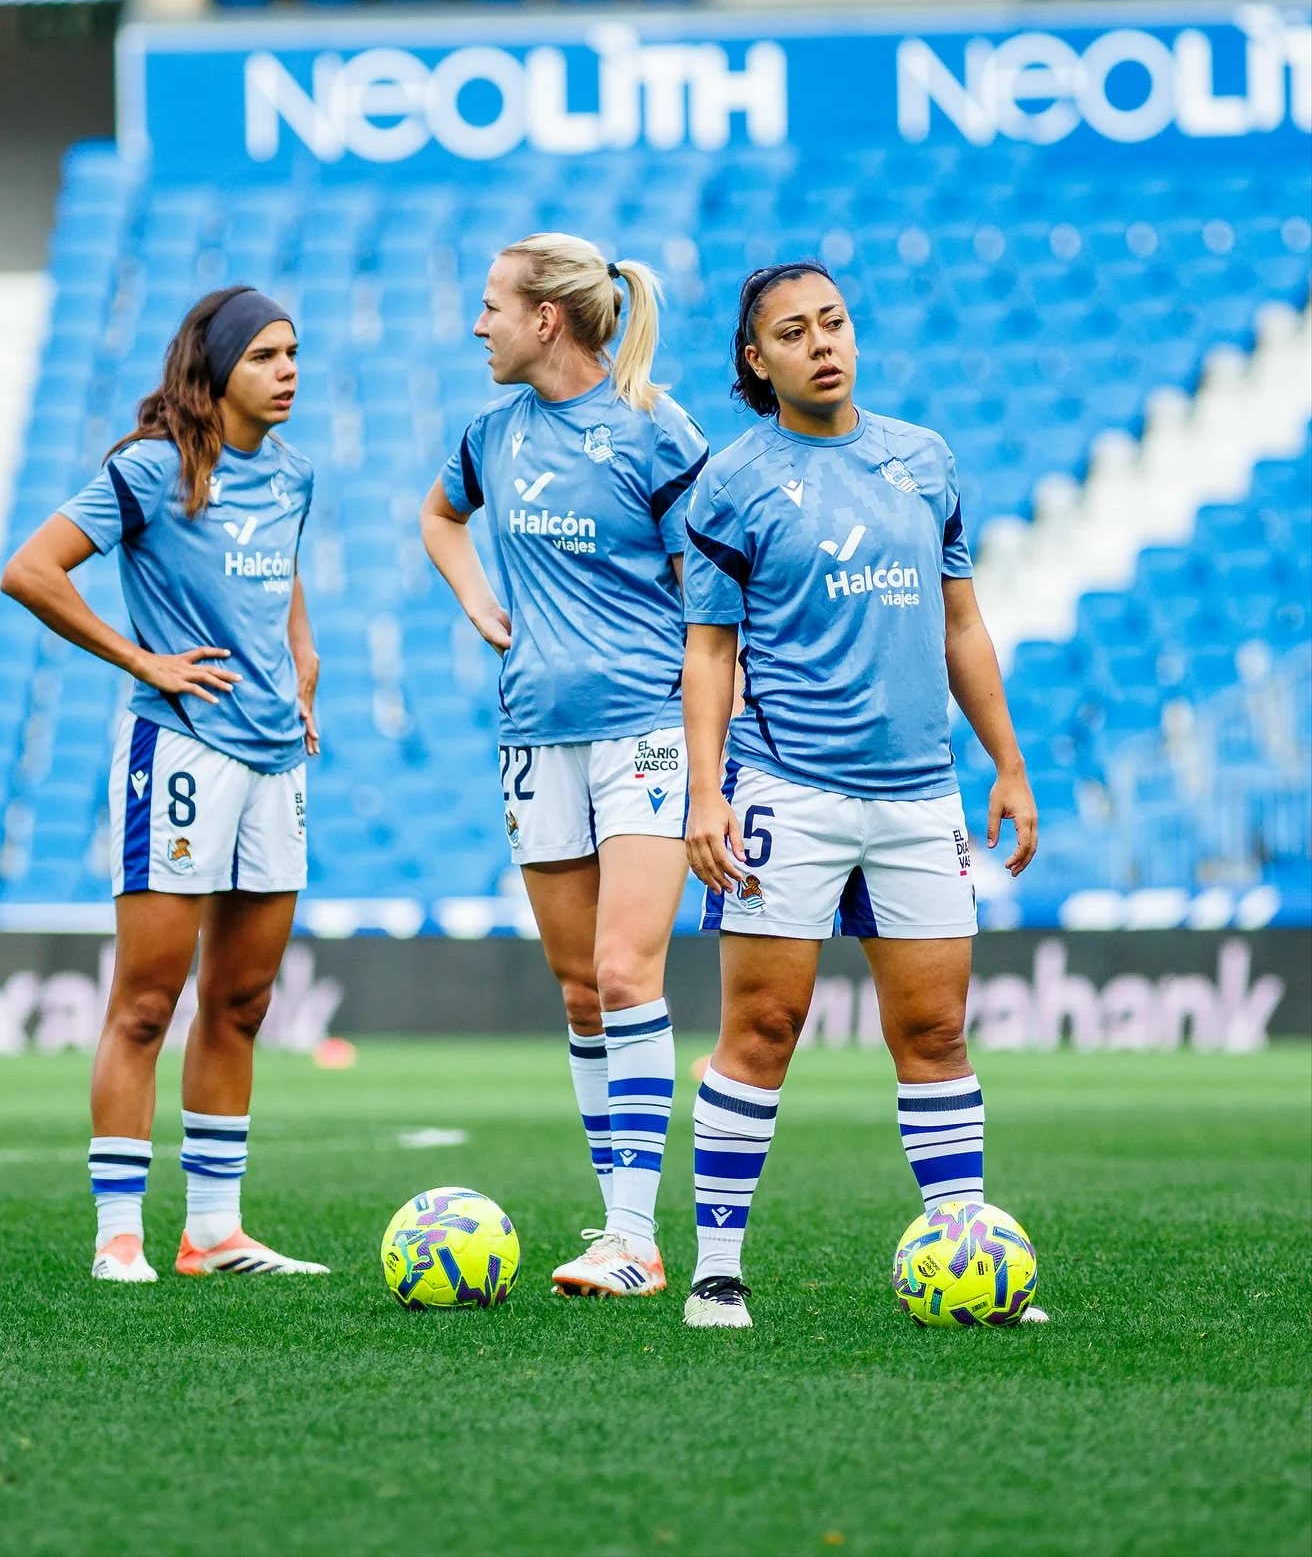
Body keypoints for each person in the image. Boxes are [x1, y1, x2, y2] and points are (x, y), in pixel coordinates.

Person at [678, 260, 1043, 1329]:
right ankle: (716, 1269)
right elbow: (709, 651)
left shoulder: (922, 460)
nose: (821, 342)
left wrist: (1007, 763)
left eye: (833, 321)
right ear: (758, 360)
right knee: (766, 1025)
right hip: (786, 789)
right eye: (793, 332)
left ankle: (967, 1259)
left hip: (919, 794)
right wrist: (706, 792)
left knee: (934, 1032)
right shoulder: (733, 482)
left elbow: (962, 621)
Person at [1, 287, 327, 1284]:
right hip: (179, 753)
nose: (288, 371)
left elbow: (284, 579)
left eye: (295, 353)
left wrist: (303, 670)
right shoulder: (150, 469)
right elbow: (33, 571)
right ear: (217, 368)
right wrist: (143, 662)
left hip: (276, 760)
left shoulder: (294, 474)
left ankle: (215, 1233)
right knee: (145, 1002)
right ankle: (119, 1235)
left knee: (242, 1002)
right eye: (267, 355)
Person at [421, 233, 708, 1297]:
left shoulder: (653, 430)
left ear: (547, 317)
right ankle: (615, 1224)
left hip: (644, 729)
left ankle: (635, 1238)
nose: (477, 322)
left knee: (630, 972)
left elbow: (710, 593)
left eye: (492, 303)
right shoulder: (489, 435)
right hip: (534, 734)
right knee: (582, 988)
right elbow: (439, 518)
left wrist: (716, 743)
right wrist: (470, 590)